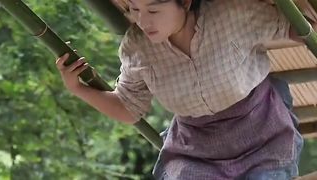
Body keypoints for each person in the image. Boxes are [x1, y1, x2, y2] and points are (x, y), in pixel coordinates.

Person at [55, 0, 306, 179]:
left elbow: (293, 26)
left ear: (185, 3)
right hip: (196, 148)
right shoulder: (137, 47)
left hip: (261, 132)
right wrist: (77, 88)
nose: (143, 20)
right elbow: (128, 108)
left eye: (154, 9)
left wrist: (306, 24)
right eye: (134, 9)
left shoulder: (231, 12)